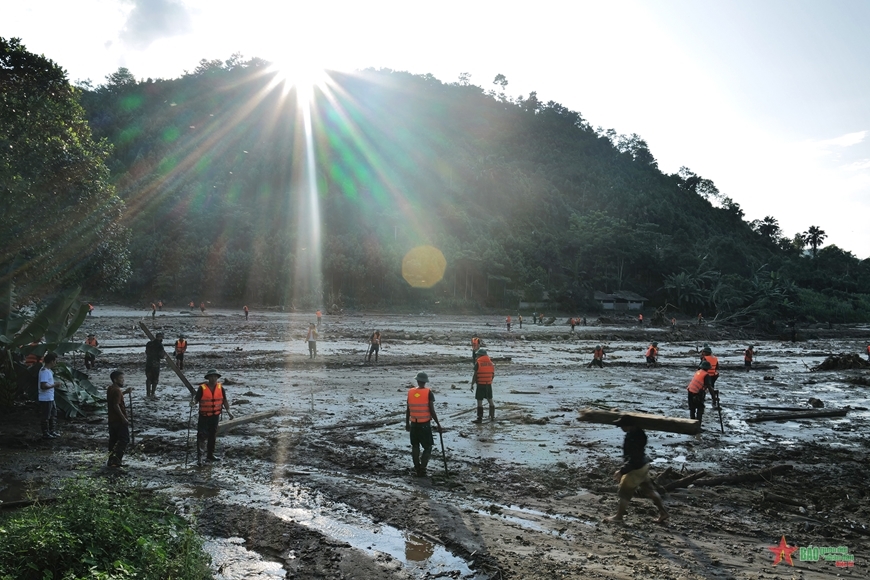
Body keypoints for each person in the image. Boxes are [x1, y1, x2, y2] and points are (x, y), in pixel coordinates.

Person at [604, 416, 668, 523]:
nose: (621, 428)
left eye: (623, 425)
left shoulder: (634, 438)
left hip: (636, 468)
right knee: (650, 490)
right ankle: (663, 512)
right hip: (643, 465)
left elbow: (634, 458)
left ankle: (618, 517)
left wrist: (622, 471)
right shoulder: (637, 433)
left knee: (625, 491)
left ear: (629, 425)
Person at [192, 368, 234, 465]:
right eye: (211, 376)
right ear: (208, 378)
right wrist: (193, 403)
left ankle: (210, 455)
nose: (213, 378)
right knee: (201, 436)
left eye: (215, 376)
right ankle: (200, 457)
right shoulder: (202, 388)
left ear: (217, 377)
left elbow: (224, 400)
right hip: (204, 416)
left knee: (212, 435)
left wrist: (229, 412)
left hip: (215, 416)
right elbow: (196, 399)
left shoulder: (220, 388)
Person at [405, 371, 442, 477]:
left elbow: (408, 409)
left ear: (417, 380)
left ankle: (417, 466)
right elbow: (432, 410)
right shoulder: (428, 392)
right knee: (428, 447)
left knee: (415, 446)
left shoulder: (411, 392)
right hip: (424, 425)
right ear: (425, 382)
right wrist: (438, 424)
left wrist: (407, 423)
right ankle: (423, 468)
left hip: (414, 424)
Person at [106, 370, 132, 468]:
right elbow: (116, 405)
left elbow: (115, 399)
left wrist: (125, 392)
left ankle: (111, 460)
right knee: (124, 440)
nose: (123, 380)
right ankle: (117, 460)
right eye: (121, 379)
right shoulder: (116, 390)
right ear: (115, 380)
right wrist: (123, 418)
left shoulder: (111, 388)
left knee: (113, 440)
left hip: (112, 420)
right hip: (118, 420)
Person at [38, 352, 60, 439]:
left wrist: (53, 384)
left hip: (50, 397)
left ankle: (52, 431)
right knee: (46, 416)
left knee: (52, 414)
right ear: (52, 361)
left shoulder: (47, 371)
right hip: (45, 398)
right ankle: (46, 433)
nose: (56, 362)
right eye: (55, 360)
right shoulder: (44, 372)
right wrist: (54, 385)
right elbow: (43, 386)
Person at [471, 348, 495, 423]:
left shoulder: (478, 363)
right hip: (488, 384)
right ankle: (492, 416)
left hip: (480, 384)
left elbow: (475, 375)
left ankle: (479, 418)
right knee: (490, 400)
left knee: (479, 401)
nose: (477, 356)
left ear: (480, 355)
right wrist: (489, 380)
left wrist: (472, 384)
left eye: (477, 355)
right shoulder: (491, 363)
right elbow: (493, 374)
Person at [145, 332, 165, 399]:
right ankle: (153, 394)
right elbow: (161, 355)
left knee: (148, 379)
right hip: (155, 364)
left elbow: (147, 352)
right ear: (160, 337)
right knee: (155, 379)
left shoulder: (149, 344)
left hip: (148, 363)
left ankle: (148, 394)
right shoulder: (160, 345)